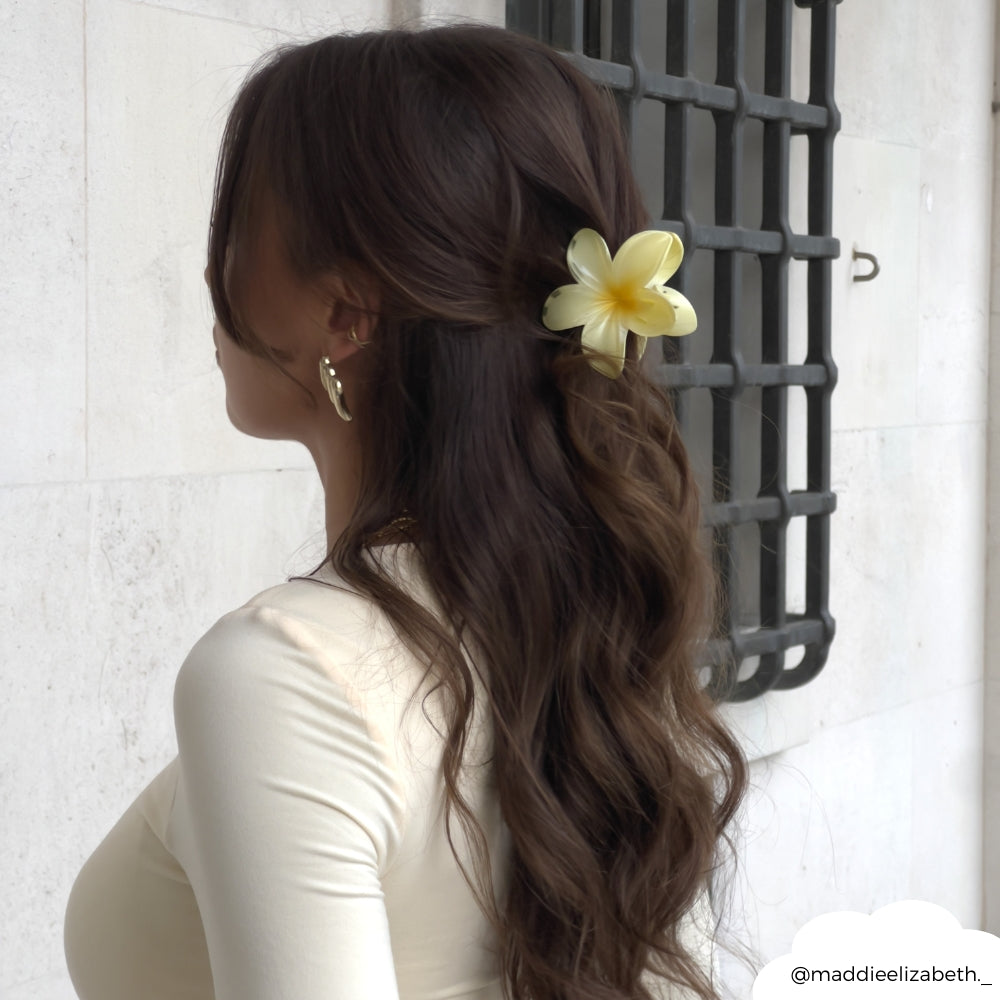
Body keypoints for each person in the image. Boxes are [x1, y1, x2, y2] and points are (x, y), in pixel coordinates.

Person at [64, 23, 745, 1000]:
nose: (211, 278)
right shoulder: (593, 629)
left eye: (241, 225)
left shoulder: (285, 672)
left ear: (345, 313)